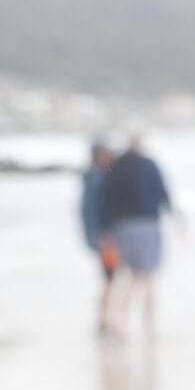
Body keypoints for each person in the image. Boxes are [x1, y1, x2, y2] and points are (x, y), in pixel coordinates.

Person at [99, 125, 177, 340]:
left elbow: (105, 200)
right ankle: (149, 329)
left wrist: (105, 230)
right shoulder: (149, 164)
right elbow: (162, 193)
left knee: (125, 277)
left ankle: (122, 324)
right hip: (147, 225)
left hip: (121, 227)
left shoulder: (115, 166)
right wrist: (175, 218)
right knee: (146, 278)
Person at [79, 135, 118, 335]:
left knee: (109, 280)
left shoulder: (92, 175)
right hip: (105, 238)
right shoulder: (97, 177)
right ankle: (104, 322)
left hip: (101, 237)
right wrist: (100, 236)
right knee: (110, 280)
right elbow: (92, 211)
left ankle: (105, 321)